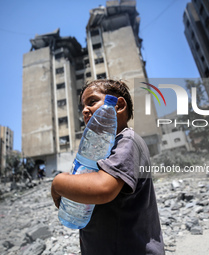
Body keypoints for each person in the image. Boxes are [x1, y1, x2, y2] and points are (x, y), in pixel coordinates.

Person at [51, 79, 165, 255]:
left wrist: (59, 183)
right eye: (82, 106)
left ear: (118, 105)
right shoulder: (104, 147)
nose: (84, 110)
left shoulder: (127, 141)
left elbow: (104, 188)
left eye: (92, 102)